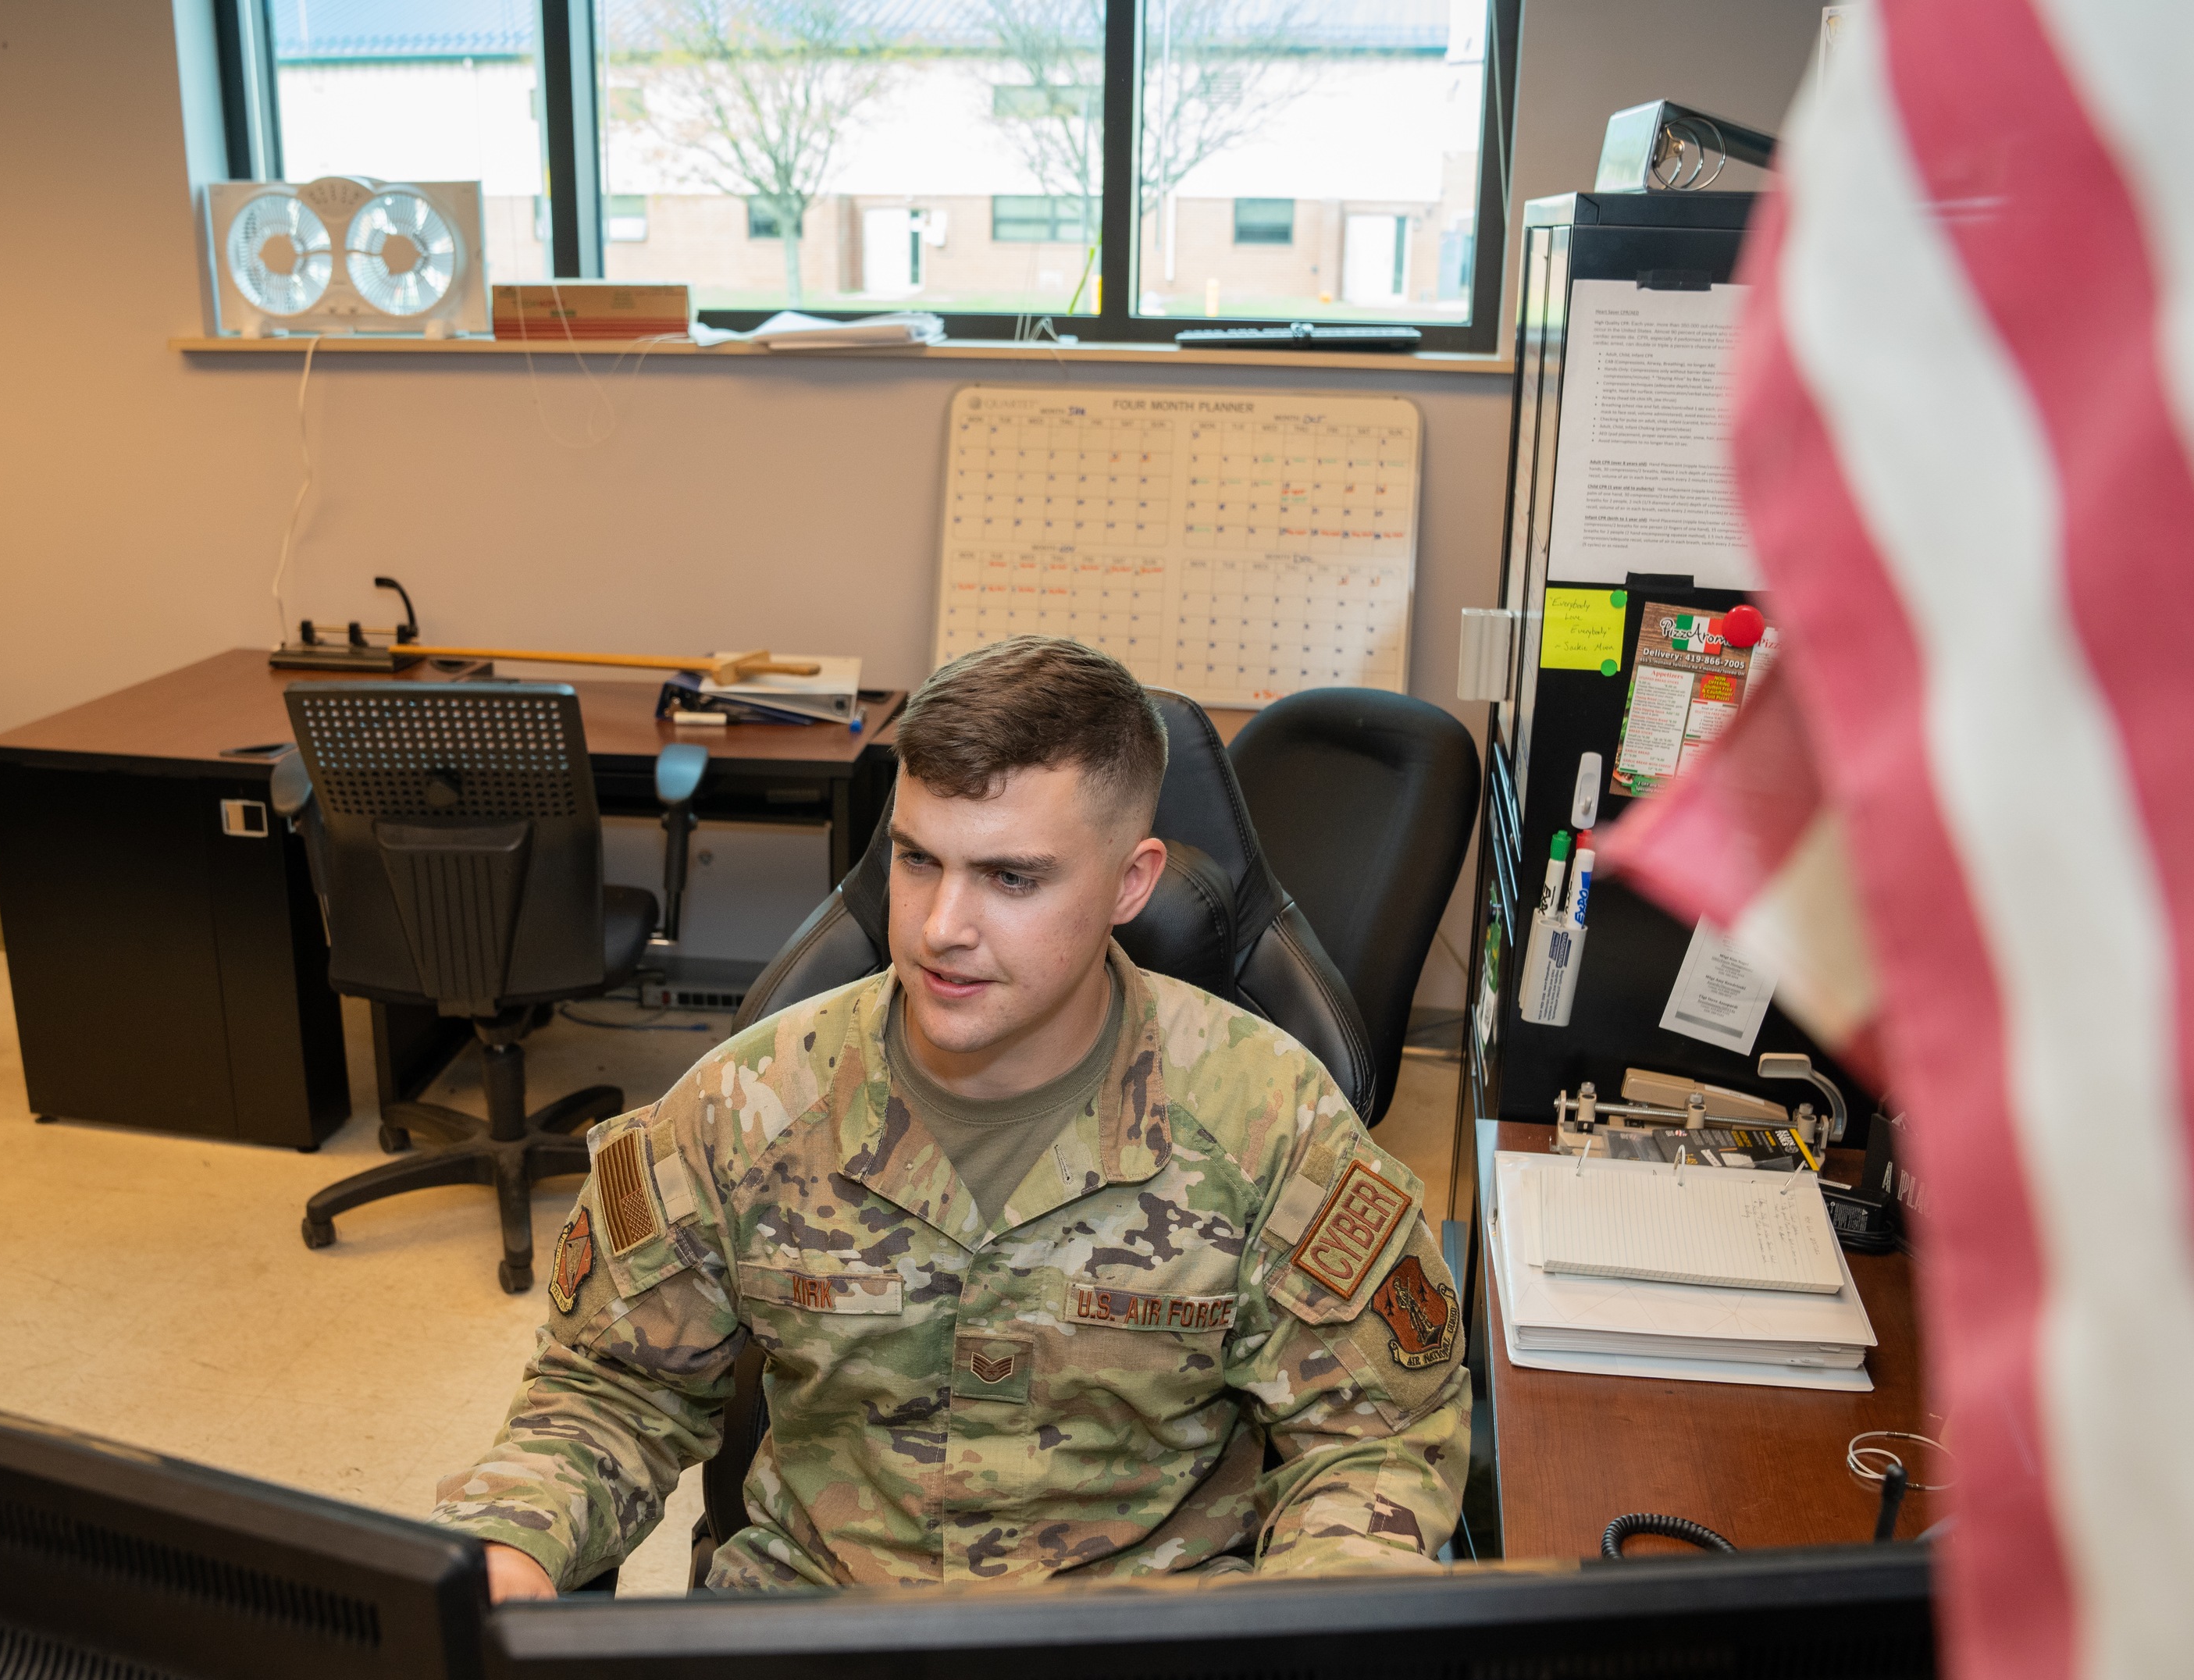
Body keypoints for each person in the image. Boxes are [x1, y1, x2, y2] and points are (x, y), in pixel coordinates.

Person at [433, 637, 1471, 1596]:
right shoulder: (742, 1104)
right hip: (817, 1647)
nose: (939, 929)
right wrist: (514, 1543)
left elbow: (1371, 1441)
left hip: (1134, 1674)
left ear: (1131, 883)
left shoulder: (1270, 1121)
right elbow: (608, 1390)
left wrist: (1326, 1615)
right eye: (918, 859)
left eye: (1010, 877)